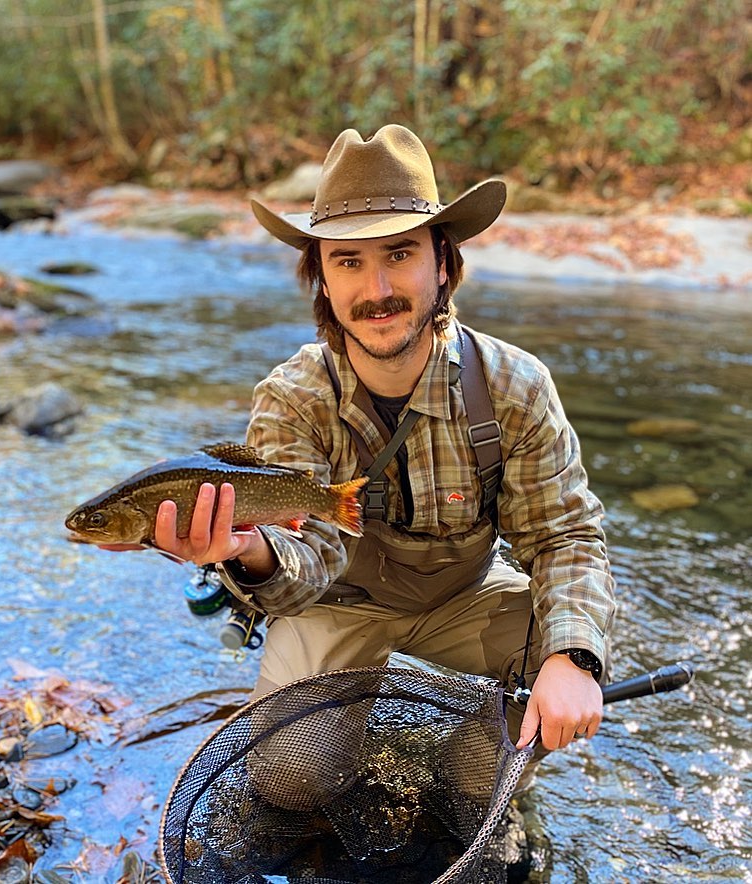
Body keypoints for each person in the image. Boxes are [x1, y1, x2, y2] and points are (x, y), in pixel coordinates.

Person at [116, 124, 616, 764]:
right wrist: (245, 550)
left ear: (442, 262)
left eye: (399, 254)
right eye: (349, 262)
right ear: (322, 279)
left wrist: (572, 658)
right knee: (287, 774)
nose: (377, 290)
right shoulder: (293, 399)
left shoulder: (514, 388)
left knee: (573, 641)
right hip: (339, 603)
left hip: (470, 603)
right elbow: (303, 571)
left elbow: (565, 538)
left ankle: (484, 778)